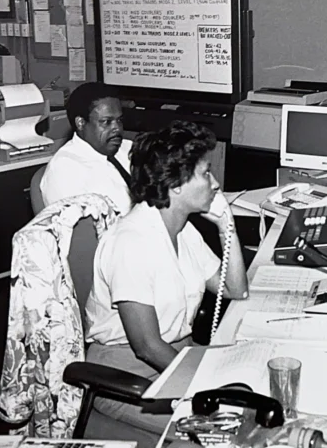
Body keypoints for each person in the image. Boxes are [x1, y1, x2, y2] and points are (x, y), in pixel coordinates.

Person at [84, 120, 250, 435]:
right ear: (175, 184)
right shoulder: (131, 242)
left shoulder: (183, 230)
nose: (215, 184)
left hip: (176, 358)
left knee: (257, 385)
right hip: (128, 378)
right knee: (232, 429)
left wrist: (226, 223)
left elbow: (235, 289)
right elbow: (146, 345)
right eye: (205, 173)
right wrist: (203, 385)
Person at [40, 82, 133, 213]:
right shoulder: (65, 171)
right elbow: (79, 231)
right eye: (106, 122)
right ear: (81, 123)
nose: (117, 128)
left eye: (119, 120)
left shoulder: (127, 149)